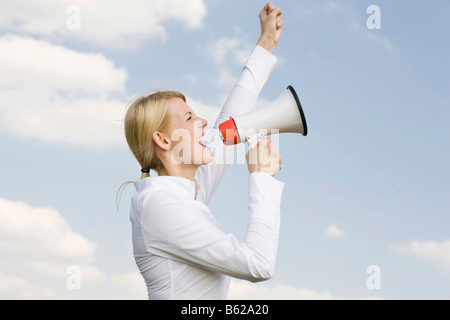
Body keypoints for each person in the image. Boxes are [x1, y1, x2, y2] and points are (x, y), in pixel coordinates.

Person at [124, 2, 284, 300]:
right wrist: (261, 178)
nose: (203, 122)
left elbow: (227, 120)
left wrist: (266, 43)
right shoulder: (157, 204)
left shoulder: (187, 192)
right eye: (189, 118)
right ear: (163, 139)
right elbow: (258, 265)